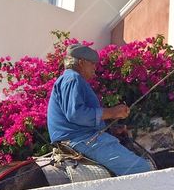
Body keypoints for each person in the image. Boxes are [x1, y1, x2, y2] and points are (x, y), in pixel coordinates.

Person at [47, 44, 154, 176]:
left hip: (80, 137)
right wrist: (113, 112)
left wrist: (111, 130)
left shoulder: (71, 79)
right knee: (141, 168)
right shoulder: (73, 78)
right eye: (92, 63)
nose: (95, 68)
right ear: (81, 63)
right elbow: (76, 114)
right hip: (80, 140)